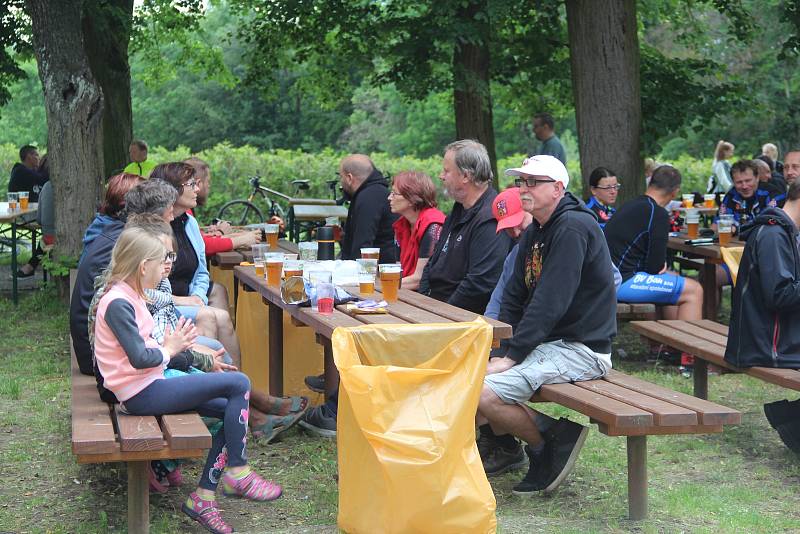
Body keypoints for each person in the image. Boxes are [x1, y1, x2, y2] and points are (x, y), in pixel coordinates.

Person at [92, 226, 281, 533]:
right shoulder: (118, 303)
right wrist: (170, 347)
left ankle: (203, 497)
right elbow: (142, 358)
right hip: (141, 393)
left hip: (150, 384)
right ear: (143, 266)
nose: (165, 268)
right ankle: (239, 472)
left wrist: (192, 356)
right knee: (240, 384)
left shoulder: (131, 295)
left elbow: (153, 351)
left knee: (231, 413)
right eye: (160, 261)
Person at [476, 155, 617, 494]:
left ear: (557, 188)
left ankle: (546, 445)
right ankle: (526, 442)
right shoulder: (536, 229)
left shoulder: (572, 228)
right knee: (466, 374)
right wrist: (503, 347)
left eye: (533, 182)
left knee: (483, 393)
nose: (524, 188)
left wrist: (512, 357)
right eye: (520, 182)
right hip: (550, 345)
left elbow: (550, 302)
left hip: (582, 349)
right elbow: (513, 296)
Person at [70, 175, 174, 376]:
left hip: (105, 342)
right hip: (99, 354)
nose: (172, 219)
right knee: (206, 338)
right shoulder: (127, 244)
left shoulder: (120, 232)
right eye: (170, 213)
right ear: (155, 216)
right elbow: (132, 301)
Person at [724, 180, 800, 453]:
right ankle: (791, 422)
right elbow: (779, 295)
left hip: (773, 336)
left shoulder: (784, 232)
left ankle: (789, 421)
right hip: (766, 344)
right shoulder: (773, 234)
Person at [150, 162, 242, 366]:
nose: (198, 189)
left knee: (222, 316)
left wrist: (197, 297)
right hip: (161, 310)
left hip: (187, 300)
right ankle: (216, 385)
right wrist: (184, 301)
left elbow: (202, 272)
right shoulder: (155, 228)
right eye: (192, 184)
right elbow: (145, 289)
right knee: (209, 316)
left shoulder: (189, 223)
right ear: (173, 190)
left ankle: (238, 387)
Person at [418, 140, 511, 314]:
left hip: (461, 320)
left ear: (466, 176)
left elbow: (479, 284)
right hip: (434, 309)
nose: (441, 176)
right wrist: (424, 302)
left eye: (446, 171)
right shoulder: (459, 209)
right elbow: (432, 263)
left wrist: (442, 314)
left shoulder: (491, 217)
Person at [604, 165, 704, 320]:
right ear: (675, 192)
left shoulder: (630, 205)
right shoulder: (657, 214)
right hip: (619, 282)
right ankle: (685, 343)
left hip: (606, 277)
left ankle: (665, 343)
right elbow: (655, 267)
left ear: (650, 183)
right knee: (694, 290)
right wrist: (658, 266)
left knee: (674, 279)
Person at [185, 157, 261, 255]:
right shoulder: (184, 212)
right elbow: (203, 245)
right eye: (208, 181)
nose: (209, 186)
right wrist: (241, 239)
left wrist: (239, 235)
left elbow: (198, 240)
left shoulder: (185, 210)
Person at [389, 171, 446, 290]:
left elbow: (419, 280)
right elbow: (398, 271)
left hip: (429, 299)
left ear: (412, 199)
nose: (389, 198)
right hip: (408, 294)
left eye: (394, 194)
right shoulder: (402, 225)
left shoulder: (433, 225)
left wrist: (382, 286)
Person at [338, 154, 398, 263]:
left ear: (349, 178)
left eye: (341, 177)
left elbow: (363, 246)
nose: (340, 182)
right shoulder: (372, 192)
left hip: (379, 272)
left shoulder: (368, 198)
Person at [717, 160, 785, 229]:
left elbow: (772, 223)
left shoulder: (772, 193)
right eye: (739, 182)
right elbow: (718, 224)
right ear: (733, 182)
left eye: (748, 180)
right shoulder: (730, 195)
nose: (744, 186)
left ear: (757, 178)